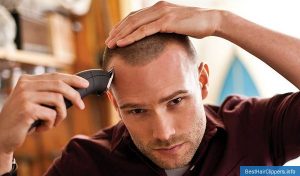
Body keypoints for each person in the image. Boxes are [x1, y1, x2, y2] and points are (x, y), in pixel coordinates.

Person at [1, 1, 300, 175]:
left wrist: (222, 22)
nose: (163, 132)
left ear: (203, 81)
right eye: (138, 110)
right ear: (115, 105)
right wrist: (1, 148)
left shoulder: (255, 127)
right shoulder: (84, 163)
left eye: (176, 101)